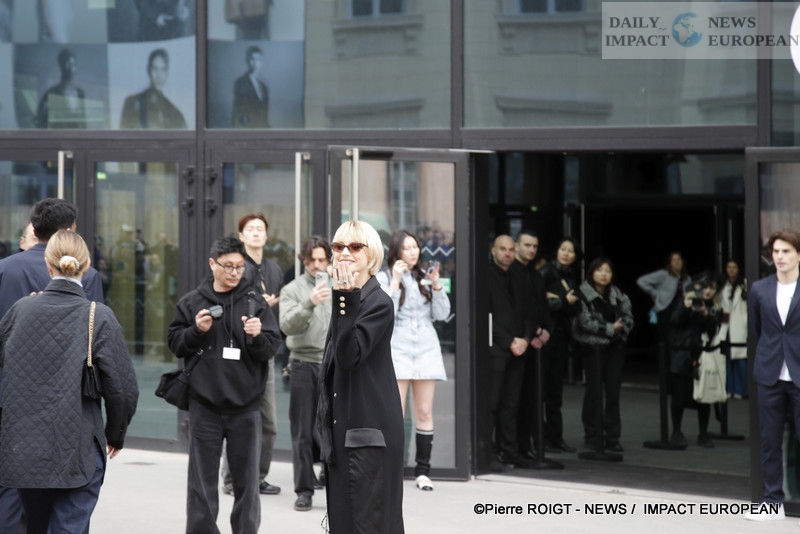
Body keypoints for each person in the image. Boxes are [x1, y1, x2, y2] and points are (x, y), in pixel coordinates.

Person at [0, 230, 138, 534]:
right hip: (78, 447)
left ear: (48, 266)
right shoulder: (98, 316)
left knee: (34, 525)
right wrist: (115, 433)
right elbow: (123, 389)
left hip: (25, 450)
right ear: (86, 266)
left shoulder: (21, 309)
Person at [167, 236, 281, 534]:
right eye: (228, 266)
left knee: (247, 485)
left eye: (239, 267)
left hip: (246, 407)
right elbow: (175, 343)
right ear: (212, 263)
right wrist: (196, 330)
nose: (234, 272)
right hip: (204, 406)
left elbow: (271, 349)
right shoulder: (192, 302)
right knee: (201, 485)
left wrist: (258, 335)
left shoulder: (256, 302)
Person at [315, 220, 405, 534]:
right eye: (338, 246)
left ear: (372, 255)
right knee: (344, 521)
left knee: (370, 524)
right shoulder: (349, 297)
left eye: (355, 246)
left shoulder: (378, 302)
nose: (344, 253)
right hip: (346, 431)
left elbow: (348, 357)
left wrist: (345, 298)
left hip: (369, 435)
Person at [376, 230, 451, 491]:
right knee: (395, 413)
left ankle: (422, 471)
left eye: (415, 247)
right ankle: (393, 469)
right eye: (407, 248)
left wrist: (437, 285)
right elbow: (385, 314)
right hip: (398, 348)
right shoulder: (384, 277)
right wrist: (396, 281)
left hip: (427, 349)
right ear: (396, 251)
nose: (412, 252)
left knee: (424, 411)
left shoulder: (425, 276)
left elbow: (442, 315)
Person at [220, 213, 283, 496]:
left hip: (264, 351)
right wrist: (258, 305)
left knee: (268, 422)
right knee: (237, 419)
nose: (256, 233)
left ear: (267, 236)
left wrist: (267, 309)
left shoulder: (274, 269)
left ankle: (258, 477)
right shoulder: (234, 266)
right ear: (241, 236)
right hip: (237, 351)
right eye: (250, 229)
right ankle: (232, 480)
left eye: (260, 229)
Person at [744, 229, 800, 521]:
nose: (780, 256)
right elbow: (757, 330)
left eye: (786, 251)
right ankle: (772, 503)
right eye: (776, 251)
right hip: (770, 374)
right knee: (770, 440)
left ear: (798, 255)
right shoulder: (759, 289)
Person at [279, 236, 332, 512]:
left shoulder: (339, 285)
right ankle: (304, 491)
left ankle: (332, 482)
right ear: (304, 260)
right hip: (303, 362)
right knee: (301, 430)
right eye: (312, 260)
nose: (317, 265)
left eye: (322, 260)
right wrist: (309, 303)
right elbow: (286, 325)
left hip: (334, 364)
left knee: (333, 427)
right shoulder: (292, 289)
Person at [572, 257, 633, 454]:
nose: (604, 274)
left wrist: (621, 329)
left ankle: (612, 437)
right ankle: (593, 436)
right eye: (599, 270)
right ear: (592, 273)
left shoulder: (618, 294)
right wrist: (610, 328)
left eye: (607, 271)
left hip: (615, 348)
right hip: (593, 349)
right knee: (594, 393)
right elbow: (585, 323)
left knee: (613, 394)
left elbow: (629, 318)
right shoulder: (583, 293)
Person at [487, 235, 536, 470]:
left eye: (510, 249)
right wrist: (509, 342)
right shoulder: (485, 276)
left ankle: (510, 451)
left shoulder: (519, 276)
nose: (507, 253)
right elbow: (485, 316)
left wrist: (525, 339)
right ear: (493, 251)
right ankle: (488, 453)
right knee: (492, 403)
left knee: (511, 404)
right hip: (497, 349)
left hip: (519, 349)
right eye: (503, 249)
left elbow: (530, 311)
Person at [538, 237, 582, 453]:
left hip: (562, 335)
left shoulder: (571, 275)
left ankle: (556, 437)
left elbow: (576, 306)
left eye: (570, 251)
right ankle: (541, 437)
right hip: (546, 335)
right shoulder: (546, 272)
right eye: (563, 249)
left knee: (555, 392)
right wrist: (563, 301)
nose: (566, 253)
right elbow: (539, 302)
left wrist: (560, 300)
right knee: (542, 390)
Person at [667, 273, 721, 448]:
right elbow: (674, 322)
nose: (708, 291)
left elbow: (713, 331)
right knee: (678, 396)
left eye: (712, 288)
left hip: (702, 356)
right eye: (705, 287)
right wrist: (686, 307)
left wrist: (705, 313)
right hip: (682, 354)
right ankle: (676, 432)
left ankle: (703, 434)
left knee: (704, 396)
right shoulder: (685, 301)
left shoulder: (714, 308)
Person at [512, 229, 551, 459]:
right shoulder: (512, 272)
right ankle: (518, 447)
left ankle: (530, 445)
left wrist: (545, 331)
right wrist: (533, 332)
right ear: (517, 246)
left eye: (535, 246)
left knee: (534, 398)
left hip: (537, 343)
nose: (531, 250)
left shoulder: (536, 275)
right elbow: (518, 310)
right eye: (527, 245)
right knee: (516, 400)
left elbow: (541, 308)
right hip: (519, 343)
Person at [120, 48, 186, 129]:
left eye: (163, 69)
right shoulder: (131, 103)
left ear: (167, 72)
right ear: (149, 70)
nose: (158, 75)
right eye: (155, 69)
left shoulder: (176, 115)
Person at [637, 252, 691, 343]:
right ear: (670, 263)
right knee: (666, 339)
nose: (677, 262)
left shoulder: (687, 279)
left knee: (681, 337)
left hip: (681, 310)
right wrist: (656, 294)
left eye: (679, 259)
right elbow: (641, 281)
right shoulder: (664, 274)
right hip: (666, 310)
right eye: (673, 260)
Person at [35, 48, 87, 129]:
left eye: (72, 64)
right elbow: (41, 123)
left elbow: (83, 125)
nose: (69, 68)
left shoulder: (80, 94)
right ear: (60, 66)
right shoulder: (50, 94)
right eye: (66, 63)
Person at [718, 259, 748, 399]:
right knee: (727, 359)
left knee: (740, 359)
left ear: (738, 269)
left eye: (734, 267)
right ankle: (729, 389)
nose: (731, 270)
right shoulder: (722, 286)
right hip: (726, 325)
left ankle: (741, 390)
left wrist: (746, 321)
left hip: (739, 324)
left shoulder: (744, 285)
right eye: (729, 267)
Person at [233, 46, 270, 128]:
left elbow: (265, 118)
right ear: (248, 61)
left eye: (258, 60)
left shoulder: (264, 87)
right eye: (252, 59)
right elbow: (237, 115)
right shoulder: (240, 83)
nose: (256, 63)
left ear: (262, 62)